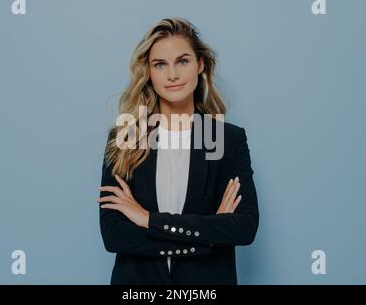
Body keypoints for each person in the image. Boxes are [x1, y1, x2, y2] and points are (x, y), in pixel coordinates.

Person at [97, 17, 259, 285]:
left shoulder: (228, 140)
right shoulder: (126, 138)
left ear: (200, 64)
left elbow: (244, 228)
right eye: (160, 64)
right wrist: (207, 238)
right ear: (148, 72)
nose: (172, 75)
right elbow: (114, 236)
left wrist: (146, 219)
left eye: (182, 61)